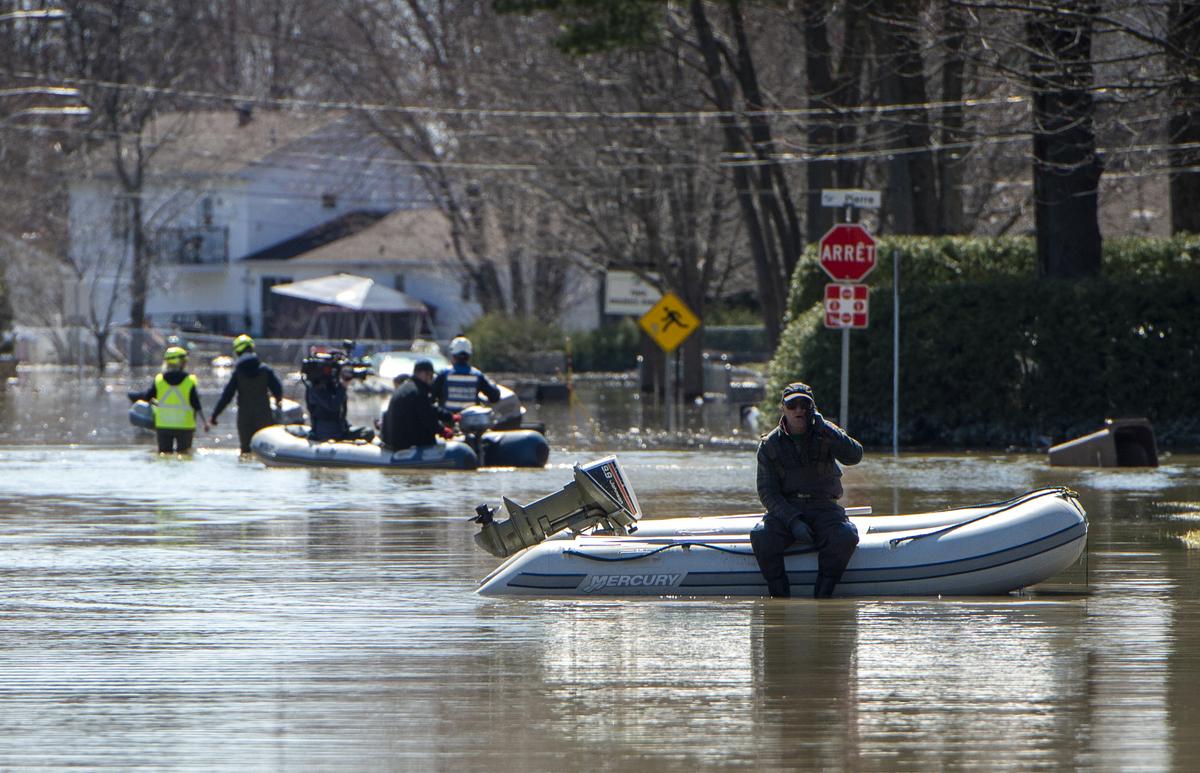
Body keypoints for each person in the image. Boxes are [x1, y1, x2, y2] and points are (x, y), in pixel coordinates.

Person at [751, 382, 863, 599]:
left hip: (824, 507)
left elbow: (855, 456)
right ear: (782, 408)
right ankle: (780, 598)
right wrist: (793, 520)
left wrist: (827, 428)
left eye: (805, 404)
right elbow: (767, 492)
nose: (799, 410)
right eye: (793, 405)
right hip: (786, 510)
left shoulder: (827, 433)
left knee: (845, 536)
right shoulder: (769, 445)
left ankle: (823, 597)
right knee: (761, 536)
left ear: (812, 408)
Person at [210, 334, 284, 453]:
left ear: (238, 352)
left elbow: (227, 396)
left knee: (246, 452)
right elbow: (278, 389)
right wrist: (278, 401)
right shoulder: (265, 370)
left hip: (245, 420)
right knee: (266, 451)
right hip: (264, 416)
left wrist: (215, 415)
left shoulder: (238, 374)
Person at [128, 345, 209, 453]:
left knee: (164, 456)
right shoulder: (190, 381)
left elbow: (147, 397)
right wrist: (205, 423)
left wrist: (133, 396)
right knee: (184, 456)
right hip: (185, 426)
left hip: (163, 426)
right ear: (182, 363)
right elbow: (196, 403)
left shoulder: (159, 380)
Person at [381, 359, 459, 450]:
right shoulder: (418, 392)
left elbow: (430, 409)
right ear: (423, 374)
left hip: (395, 439)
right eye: (429, 375)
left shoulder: (409, 387)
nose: (431, 378)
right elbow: (427, 418)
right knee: (430, 437)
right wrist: (442, 431)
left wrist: (450, 416)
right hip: (406, 444)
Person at [432, 336, 501, 413]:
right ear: (469, 355)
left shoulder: (444, 374)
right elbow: (494, 396)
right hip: (472, 421)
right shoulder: (477, 375)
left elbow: (432, 396)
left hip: (448, 420)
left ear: (453, 354)